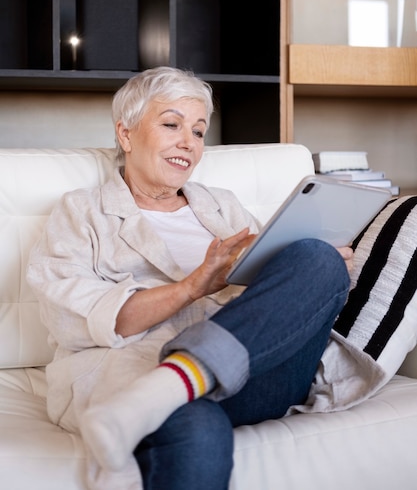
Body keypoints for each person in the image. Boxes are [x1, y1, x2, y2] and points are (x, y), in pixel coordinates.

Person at [27, 67, 354, 490]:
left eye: (199, 131)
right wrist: (191, 287)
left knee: (316, 256)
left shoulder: (224, 207)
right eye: (171, 125)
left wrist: (317, 275)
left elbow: (272, 305)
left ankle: (172, 386)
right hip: (132, 372)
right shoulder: (81, 212)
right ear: (125, 135)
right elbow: (73, 318)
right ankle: (168, 390)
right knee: (194, 426)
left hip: (251, 371)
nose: (189, 142)